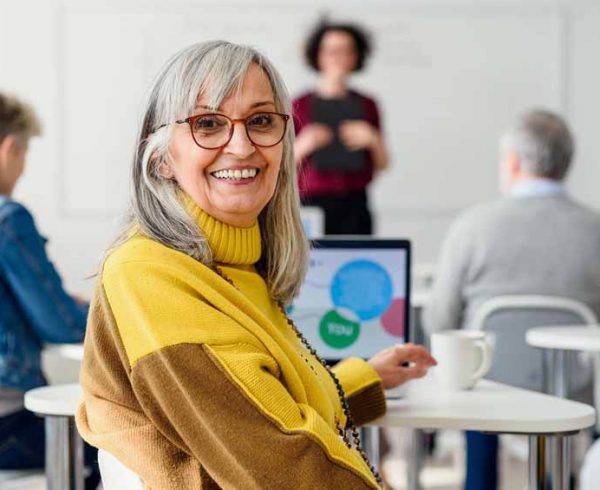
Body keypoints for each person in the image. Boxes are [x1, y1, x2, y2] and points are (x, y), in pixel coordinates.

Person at [75, 41, 436, 489]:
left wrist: (364, 378)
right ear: (162, 157)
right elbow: (281, 458)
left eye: (262, 121)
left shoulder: (239, 266)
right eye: (208, 124)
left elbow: (261, 407)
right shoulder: (148, 273)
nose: (242, 146)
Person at [424, 109, 600, 490]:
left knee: (478, 395)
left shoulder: (473, 226)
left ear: (513, 162)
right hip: (578, 388)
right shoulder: (595, 230)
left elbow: (439, 320)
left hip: (489, 382)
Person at [0, 93, 100, 488]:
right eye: (24, 156)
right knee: (125, 441)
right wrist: (100, 308)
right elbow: (60, 326)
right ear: (11, 148)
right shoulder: (9, 218)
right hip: (7, 424)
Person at [293, 22, 389, 235]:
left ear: (356, 56)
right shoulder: (298, 105)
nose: (339, 58)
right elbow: (281, 166)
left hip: (355, 204)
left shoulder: (368, 104)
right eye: (332, 51)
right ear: (318, 55)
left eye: (347, 51)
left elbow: (384, 164)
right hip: (311, 204)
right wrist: (304, 144)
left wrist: (373, 139)